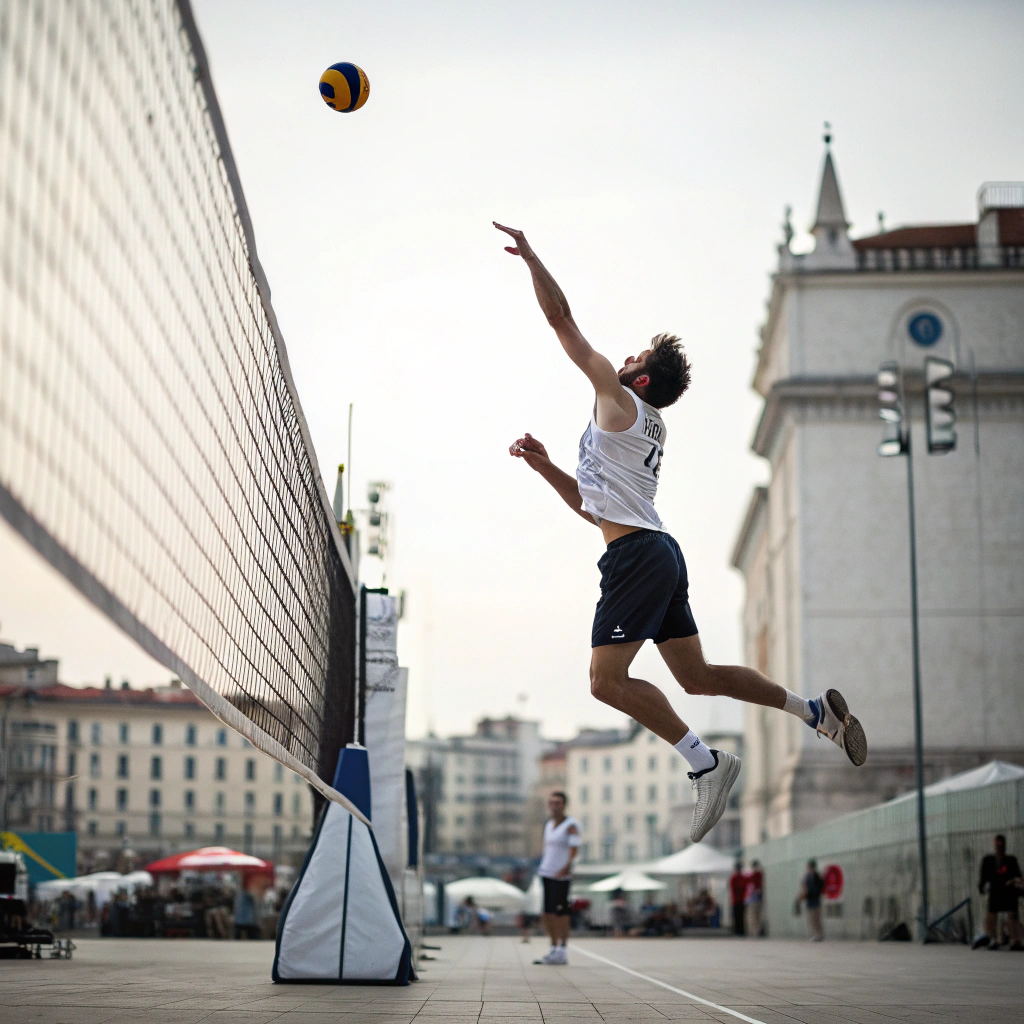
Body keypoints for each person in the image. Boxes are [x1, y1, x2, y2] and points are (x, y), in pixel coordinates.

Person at [497, 222, 868, 843]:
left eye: (635, 358)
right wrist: (544, 467)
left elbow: (562, 322)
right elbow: (594, 510)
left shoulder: (618, 403)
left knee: (604, 681)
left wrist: (533, 258)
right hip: (657, 551)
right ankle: (817, 712)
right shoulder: (637, 426)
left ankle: (706, 762)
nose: (624, 358)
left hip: (638, 557)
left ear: (639, 382)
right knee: (696, 677)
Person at [534, 790, 581, 965]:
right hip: (546, 871)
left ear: (564, 805)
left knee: (560, 912)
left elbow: (574, 848)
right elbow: (548, 847)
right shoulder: (548, 824)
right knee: (547, 913)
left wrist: (566, 867)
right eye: (551, 803)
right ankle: (553, 947)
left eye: (558, 803)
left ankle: (562, 948)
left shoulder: (571, 825)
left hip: (561, 875)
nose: (554, 806)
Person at [975, 834, 1024, 950]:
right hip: (995, 890)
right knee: (991, 915)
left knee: (1012, 915)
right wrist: (981, 886)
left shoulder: (1011, 860)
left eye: (1001, 845)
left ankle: (1015, 940)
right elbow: (984, 876)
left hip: (1009, 891)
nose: (999, 847)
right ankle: (993, 938)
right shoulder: (988, 861)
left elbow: (1018, 875)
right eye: (997, 844)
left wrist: (1014, 881)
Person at [798, 859, 824, 941]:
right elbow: (804, 886)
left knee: (817, 919)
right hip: (810, 901)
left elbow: (820, 887)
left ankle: (819, 934)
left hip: (816, 900)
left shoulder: (817, 876)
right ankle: (815, 934)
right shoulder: (807, 877)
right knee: (812, 919)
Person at [745, 860, 764, 938]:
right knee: (751, 916)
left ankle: (756, 931)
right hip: (751, 898)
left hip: (757, 898)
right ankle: (752, 931)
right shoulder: (751, 875)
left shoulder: (759, 875)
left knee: (757, 916)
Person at [729, 860, 747, 936]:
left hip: (741, 900)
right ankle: (738, 930)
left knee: (741, 916)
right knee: (737, 916)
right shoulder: (734, 878)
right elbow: (733, 888)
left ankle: (741, 930)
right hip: (736, 900)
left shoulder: (742, 878)